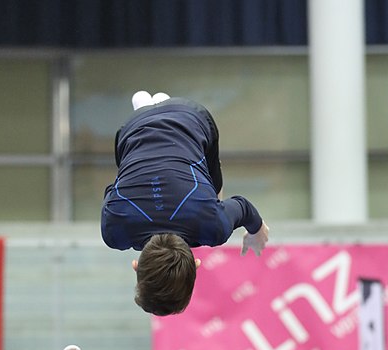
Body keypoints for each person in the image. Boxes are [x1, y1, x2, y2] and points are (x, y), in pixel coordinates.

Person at [101, 91, 270, 316]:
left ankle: (157, 107)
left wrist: (256, 231)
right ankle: (146, 108)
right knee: (127, 174)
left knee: (214, 196)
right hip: (131, 130)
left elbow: (243, 207)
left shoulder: (213, 228)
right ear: (136, 266)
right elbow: (111, 191)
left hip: (190, 117)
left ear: (197, 265)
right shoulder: (114, 231)